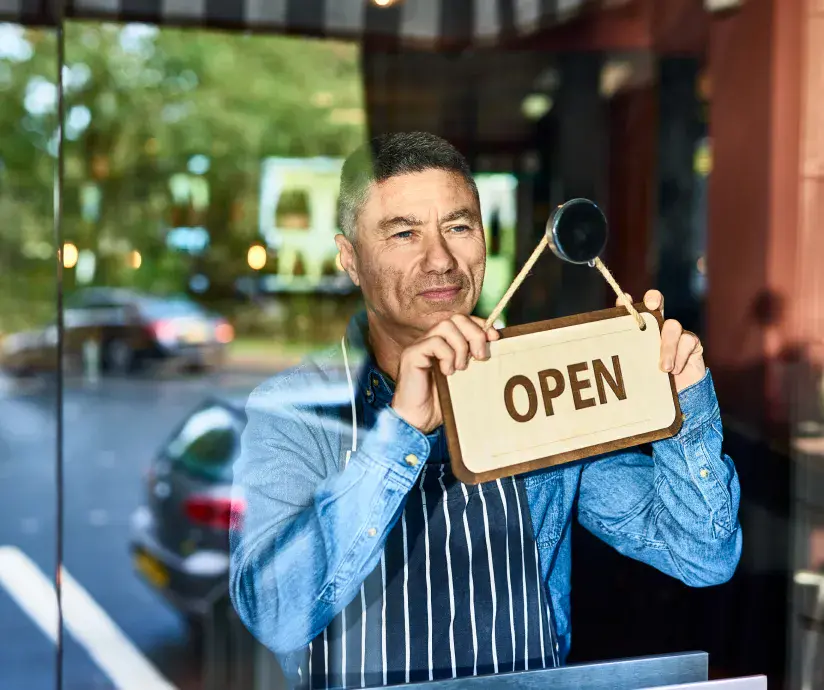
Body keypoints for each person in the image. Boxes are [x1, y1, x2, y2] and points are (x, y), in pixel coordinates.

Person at [229, 132, 742, 689]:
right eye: (404, 233)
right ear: (350, 258)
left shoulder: (535, 383)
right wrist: (399, 436)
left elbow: (701, 555)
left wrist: (685, 400)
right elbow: (275, 613)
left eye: (459, 226)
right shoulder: (296, 410)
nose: (441, 259)